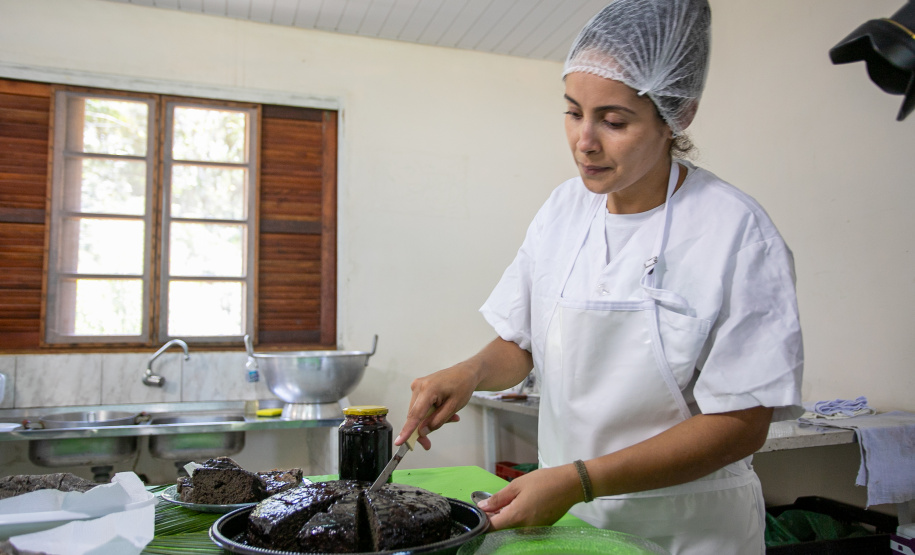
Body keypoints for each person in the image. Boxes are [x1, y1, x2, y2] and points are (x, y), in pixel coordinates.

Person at [395, 0, 804, 553]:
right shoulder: (563, 210)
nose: (584, 141)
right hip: (566, 522)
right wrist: (468, 373)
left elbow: (741, 423)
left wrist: (580, 479)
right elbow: (522, 341)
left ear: (675, 115)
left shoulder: (736, 233)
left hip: (689, 528)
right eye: (572, 112)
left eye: (614, 121)